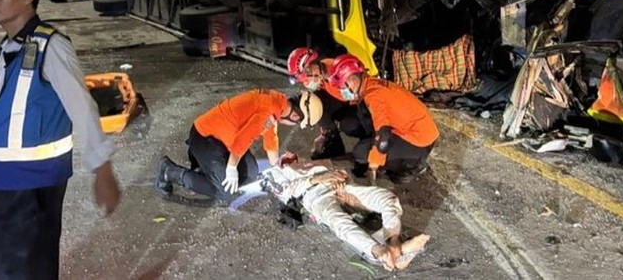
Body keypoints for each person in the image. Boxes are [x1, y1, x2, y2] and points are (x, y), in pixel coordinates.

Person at [0, 0, 121, 279]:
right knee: (30, 267)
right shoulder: (7, 49)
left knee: (10, 270)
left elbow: (82, 108)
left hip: (27, 181)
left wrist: (103, 169)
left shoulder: (50, 46)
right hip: (8, 178)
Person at [257, 151, 430, 272]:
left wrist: (341, 178)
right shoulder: (276, 172)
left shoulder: (313, 161)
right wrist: (316, 178)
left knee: (386, 197)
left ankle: (393, 240)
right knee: (339, 222)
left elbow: (342, 171)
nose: (290, 155)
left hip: (341, 188)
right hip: (315, 196)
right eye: (287, 156)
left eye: (292, 156)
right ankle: (379, 251)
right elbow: (284, 191)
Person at [155, 89, 323, 203]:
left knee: (251, 173)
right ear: (295, 115)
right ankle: (170, 171)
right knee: (226, 194)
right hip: (206, 137)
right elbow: (244, 139)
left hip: (225, 139)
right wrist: (231, 169)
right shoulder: (269, 110)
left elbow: (271, 137)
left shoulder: (277, 103)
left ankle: (210, 172)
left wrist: (276, 167)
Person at [327, 54, 439, 184]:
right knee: (351, 123)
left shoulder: (374, 95)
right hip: (410, 127)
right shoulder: (369, 85)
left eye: (342, 87)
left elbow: (383, 134)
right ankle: (375, 148)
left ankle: (413, 165)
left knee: (361, 153)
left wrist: (373, 166)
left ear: (351, 81)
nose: (341, 90)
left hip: (419, 139)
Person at [287, 47, 371, 159]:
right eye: (303, 81)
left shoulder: (341, 71)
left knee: (349, 126)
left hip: (361, 106)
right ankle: (333, 145)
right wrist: (324, 133)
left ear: (315, 68)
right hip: (344, 102)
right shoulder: (323, 75)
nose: (306, 84)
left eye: (306, 79)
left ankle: (369, 142)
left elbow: (366, 95)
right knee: (315, 103)